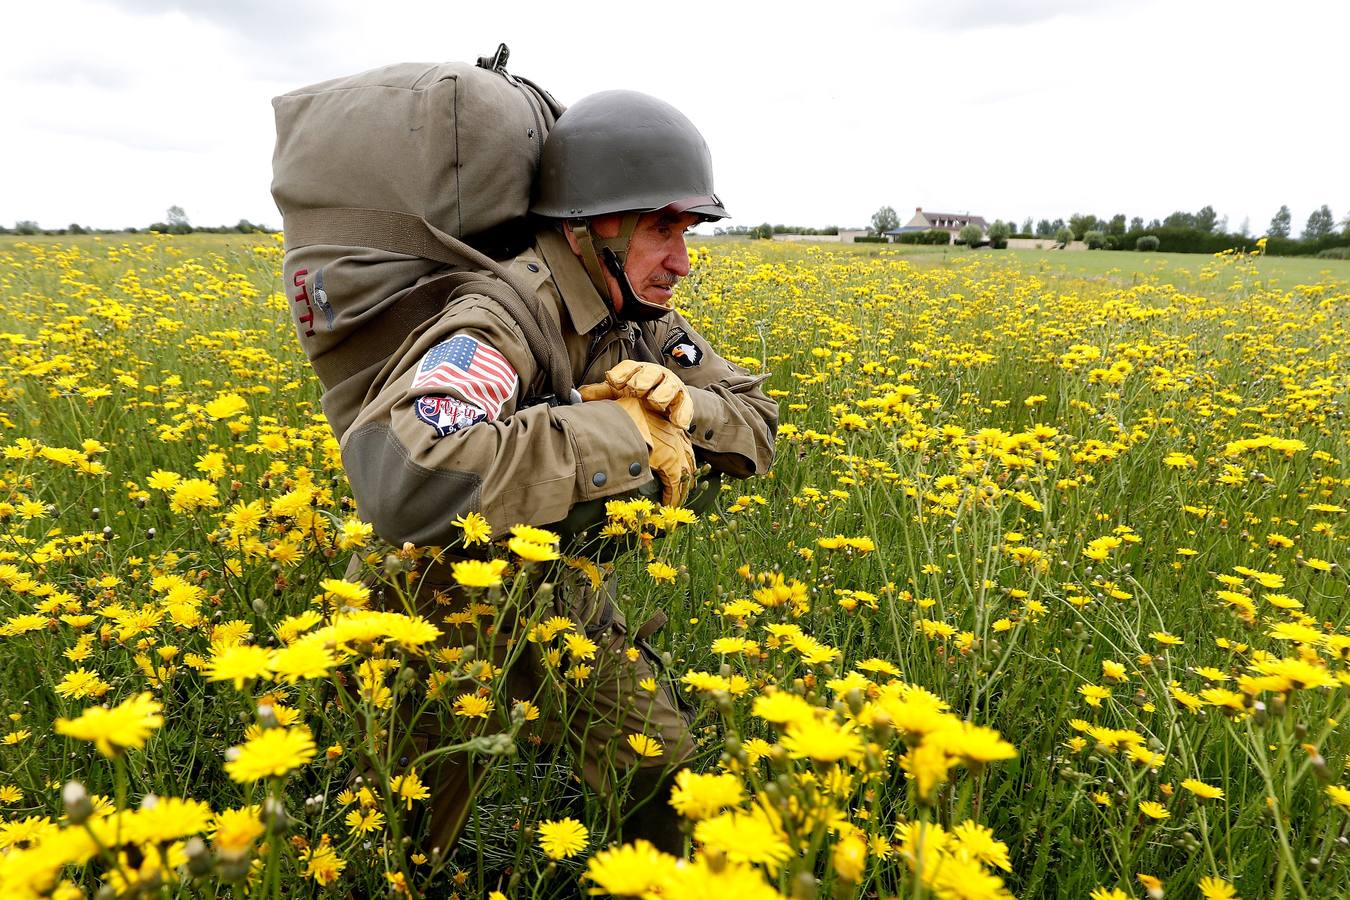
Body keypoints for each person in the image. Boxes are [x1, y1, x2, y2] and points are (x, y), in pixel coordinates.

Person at [335, 90, 777, 856]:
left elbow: (757, 424)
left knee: (665, 782)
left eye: (689, 230)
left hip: (555, 587)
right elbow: (409, 475)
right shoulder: (498, 320)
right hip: (433, 602)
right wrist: (619, 429)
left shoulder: (637, 315)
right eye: (663, 228)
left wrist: (685, 413)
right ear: (588, 228)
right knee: (396, 837)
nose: (682, 259)